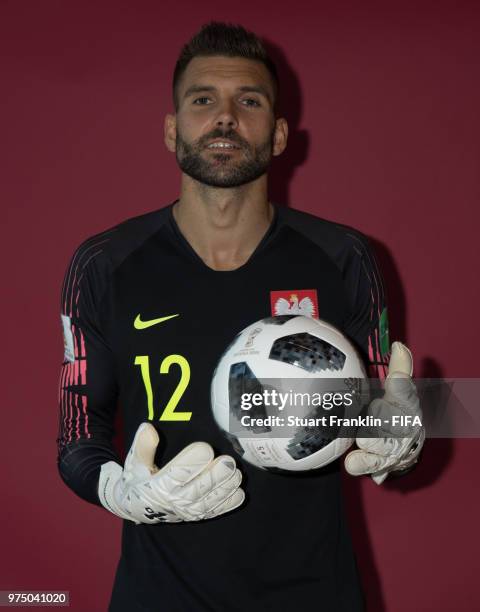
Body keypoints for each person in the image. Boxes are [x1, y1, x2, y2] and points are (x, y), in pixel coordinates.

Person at [57, 22, 424, 611]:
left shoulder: (346, 257)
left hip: (314, 595)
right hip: (157, 597)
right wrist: (121, 490)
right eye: (203, 100)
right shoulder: (104, 265)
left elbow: (388, 409)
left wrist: (408, 429)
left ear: (279, 134)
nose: (225, 117)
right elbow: (76, 435)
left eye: (248, 101)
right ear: (173, 129)